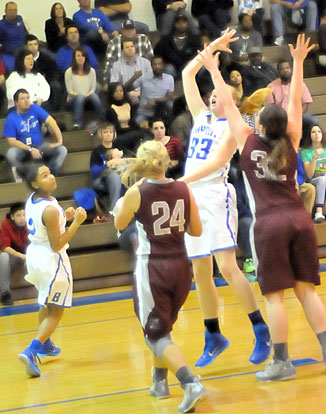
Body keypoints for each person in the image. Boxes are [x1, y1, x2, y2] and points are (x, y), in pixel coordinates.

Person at [192, 33, 326, 381]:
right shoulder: (293, 138)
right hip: (300, 219)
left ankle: (281, 362)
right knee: (306, 291)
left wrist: (213, 69)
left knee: (275, 298)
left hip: (269, 225)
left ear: (261, 126)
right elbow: (295, 99)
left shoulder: (246, 140)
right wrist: (297, 63)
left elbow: (229, 105)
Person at [180, 28, 271, 368]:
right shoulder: (200, 116)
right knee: (200, 271)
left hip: (216, 194)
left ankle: (259, 328)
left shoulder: (234, 128)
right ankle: (213, 333)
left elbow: (218, 163)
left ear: (231, 101)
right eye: (213, 93)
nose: (213, 96)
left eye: (220, 93)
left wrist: (179, 182)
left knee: (228, 266)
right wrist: (210, 50)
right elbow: (187, 74)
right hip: (192, 197)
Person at [113, 140, 206, 413]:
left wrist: (120, 207)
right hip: (181, 266)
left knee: (154, 335)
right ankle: (159, 382)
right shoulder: (183, 188)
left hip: (153, 268)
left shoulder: (136, 192)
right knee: (162, 329)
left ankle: (190, 383)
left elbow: (119, 225)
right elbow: (196, 231)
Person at [17, 161, 87, 377]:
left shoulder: (34, 200)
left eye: (50, 173)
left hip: (35, 257)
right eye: (45, 175)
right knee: (56, 311)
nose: (51, 176)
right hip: (51, 259)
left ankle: (45, 343)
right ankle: (32, 350)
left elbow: (46, 225)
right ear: (34, 183)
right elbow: (56, 244)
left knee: (45, 301)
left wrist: (62, 218)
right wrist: (76, 222)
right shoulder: (49, 209)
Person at [3, 89, 68, 178]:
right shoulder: (11, 118)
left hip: (40, 145)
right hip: (22, 148)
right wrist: (30, 149)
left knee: (62, 150)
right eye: (22, 98)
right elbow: (11, 141)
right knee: (11, 154)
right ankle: (23, 176)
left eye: (28, 98)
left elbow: (52, 122)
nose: (27, 101)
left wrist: (60, 141)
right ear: (16, 102)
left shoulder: (35, 108)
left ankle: (50, 175)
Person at [102, 19, 153, 86]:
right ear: (122, 31)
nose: (129, 31)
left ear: (135, 30)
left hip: (141, 76)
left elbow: (150, 59)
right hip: (121, 78)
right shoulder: (113, 43)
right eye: (126, 29)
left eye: (131, 28)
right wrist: (106, 82)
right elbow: (109, 64)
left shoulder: (144, 39)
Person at [65, 47, 105, 129]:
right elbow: (70, 91)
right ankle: (76, 123)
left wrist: (87, 95)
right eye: (78, 56)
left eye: (83, 56)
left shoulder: (92, 71)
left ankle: (104, 118)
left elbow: (93, 89)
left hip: (88, 98)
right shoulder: (69, 72)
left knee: (94, 95)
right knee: (80, 96)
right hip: (73, 100)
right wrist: (82, 95)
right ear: (74, 58)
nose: (81, 58)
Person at [154, 13, 201, 80]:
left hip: (190, 68)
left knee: (202, 67)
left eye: (183, 22)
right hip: (172, 70)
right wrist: (164, 63)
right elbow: (156, 53)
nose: (181, 25)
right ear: (174, 24)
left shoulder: (194, 39)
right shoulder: (166, 39)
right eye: (178, 22)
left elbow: (200, 53)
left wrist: (193, 61)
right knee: (169, 69)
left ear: (187, 24)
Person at [90, 123, 123, 215]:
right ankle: (114, 211)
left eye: (111, 132)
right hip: (100, 181)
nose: (108, 134)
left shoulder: (119, 149)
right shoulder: (97, 151)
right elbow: (94, 171)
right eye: (105, 132)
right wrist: (108, 164)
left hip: (119, 178)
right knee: (114, 176)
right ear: (101, 134)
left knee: (119, 178)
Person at [0, 202, 29, 306]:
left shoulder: (30, 224)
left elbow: (35, 243)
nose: (22, 218)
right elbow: (5, 247)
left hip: (27, 254)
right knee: (3, 257)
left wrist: (29, 257)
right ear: (12, 217)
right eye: (18, 215)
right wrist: (21, 256)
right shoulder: (6, 225)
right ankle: (5, 294)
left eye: (24, 215)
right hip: (13, 256)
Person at [134, 55, 174, 125]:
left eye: (159, 64)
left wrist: (155, 99)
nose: (157, 66)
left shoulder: (169, 78)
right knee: (137, 121)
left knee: (170, 104)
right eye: (155, 64)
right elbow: (132, 86)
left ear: (163, 65)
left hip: (160, 111)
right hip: (145, 111)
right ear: (151, 66)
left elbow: (170, 97)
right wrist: (133, 78)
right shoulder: (144, 77)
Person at [25, 34, 62, 111]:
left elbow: (52, 72)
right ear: (26, 46)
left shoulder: (46, 58)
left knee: (56, 86)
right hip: (29, 81)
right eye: (30, 45)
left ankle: (55, 111)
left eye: (35, 44)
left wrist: (44, 78)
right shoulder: (23, 59)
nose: (33, 47)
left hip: (46, 80)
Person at [106, 82, 143, 153]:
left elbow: (133, 122)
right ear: (111, 93)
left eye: (121, 91)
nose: (119, 93)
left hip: (131, 133)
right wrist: (134, 130)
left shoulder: (129, 105)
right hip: (119, 135)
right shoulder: (110, 109)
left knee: (142, 133)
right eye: (116, 91)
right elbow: (117, 129)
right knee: (136, 135)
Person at [301, 124, 326, 223]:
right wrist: (315, 157)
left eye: (319, 131)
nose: (317, 134)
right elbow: (309, 175)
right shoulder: (305, 152)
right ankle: (319, 212)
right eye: (313, 132)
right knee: (322, 179)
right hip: (313, 180)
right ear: (310, 135)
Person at [0, 2, 28, 72]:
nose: (13, 12)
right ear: (5, 11)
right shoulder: (1, 25)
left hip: (25, 47)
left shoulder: (19, 18)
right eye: (10, 10)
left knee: (44, 53)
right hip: (12, 51)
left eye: (15, 10)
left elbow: (26, 33)